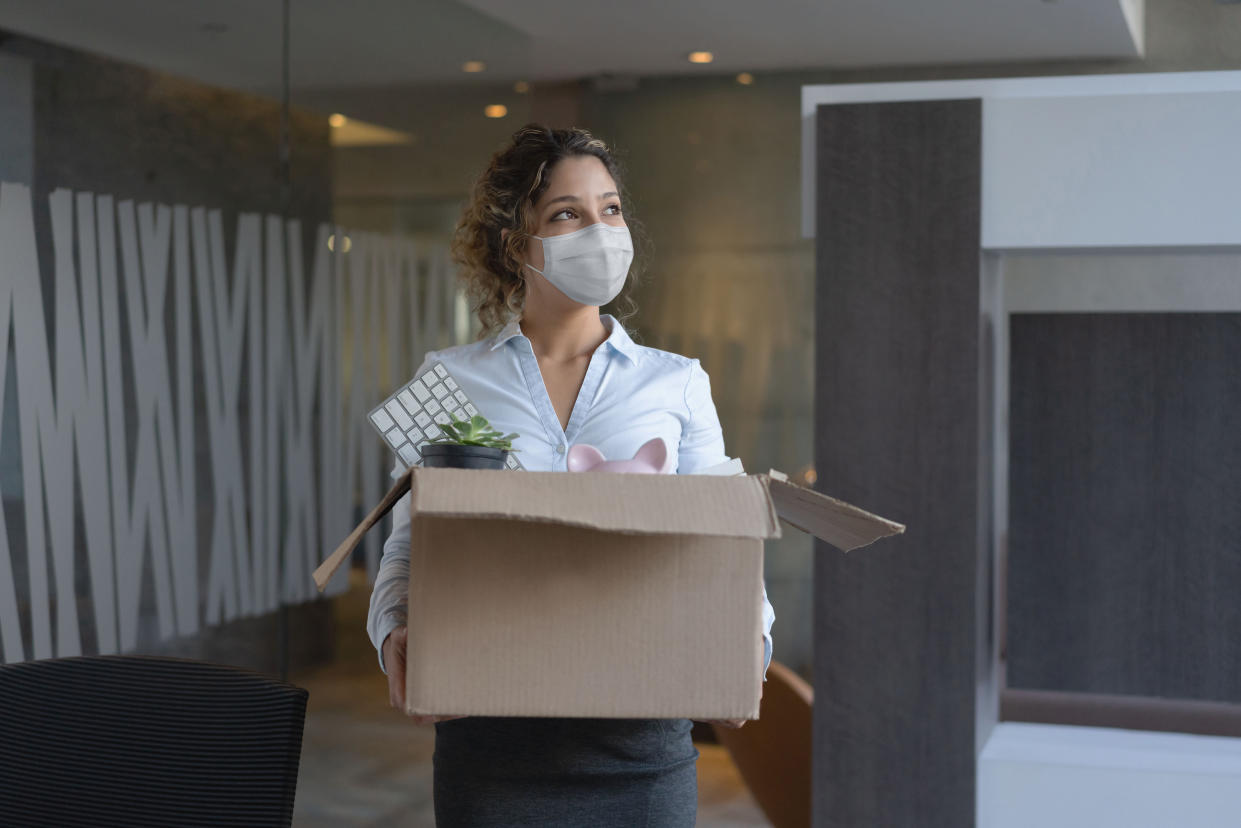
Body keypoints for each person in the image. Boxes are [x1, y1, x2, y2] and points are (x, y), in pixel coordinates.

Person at [367, 124, 775, 827]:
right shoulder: (444, 382)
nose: (600, 231)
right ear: (512, 243)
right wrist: (393, 633)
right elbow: (410, 544)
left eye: (610, 209)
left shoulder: (677, 383)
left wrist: (750, 646)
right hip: (490, 747)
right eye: (567, 214)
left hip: (641, 754)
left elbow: (728, 538)